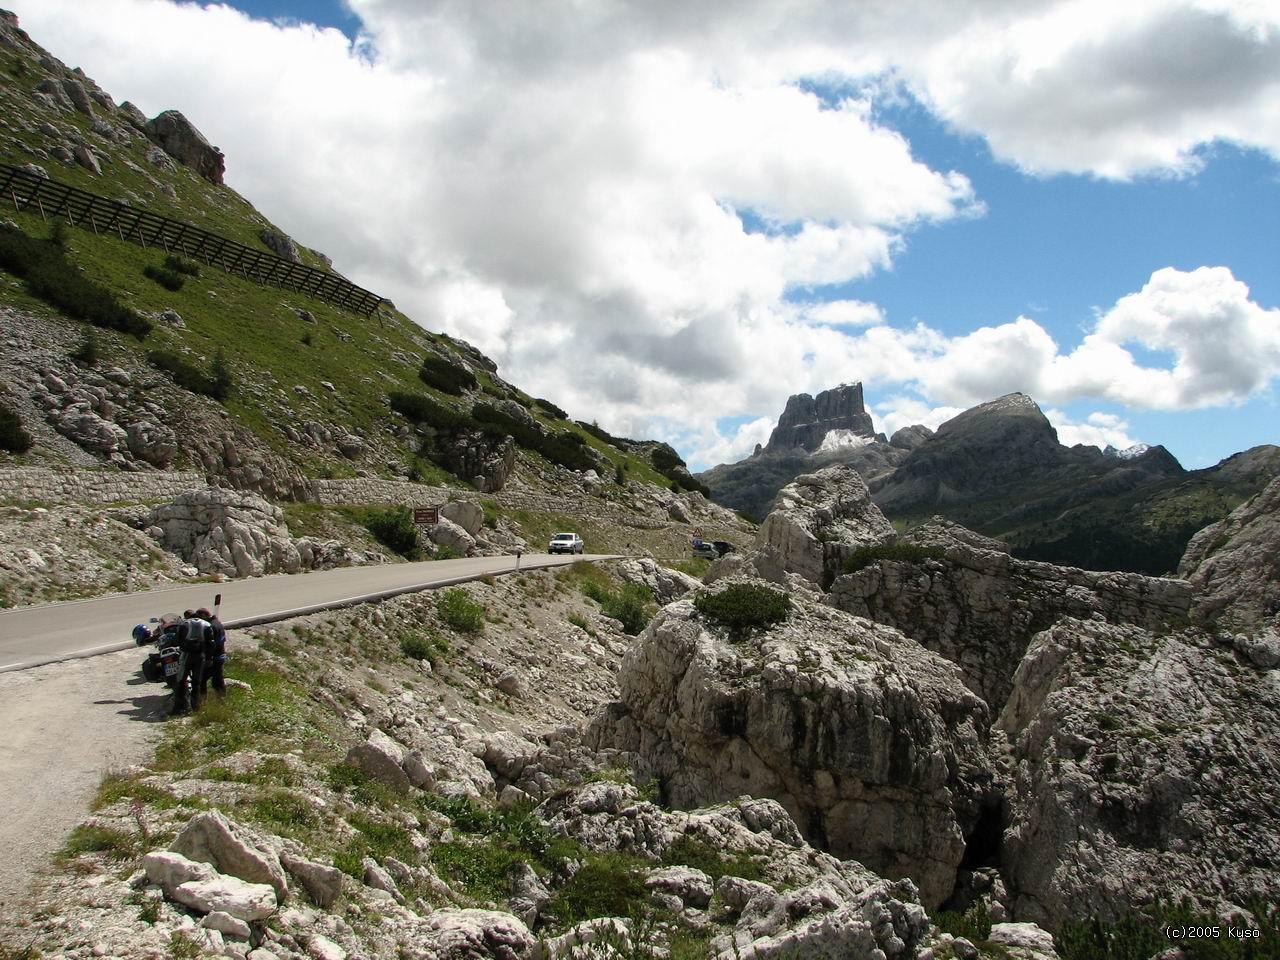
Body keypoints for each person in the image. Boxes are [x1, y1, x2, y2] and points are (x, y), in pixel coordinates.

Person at [171, 609, 210, 715]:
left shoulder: (184, 624)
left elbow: (176, 640)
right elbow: (211, 643)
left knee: (181, 680)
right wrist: (208, 657)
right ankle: (196, 707)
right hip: (201, 656)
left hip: (187, 655)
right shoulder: (206, 625)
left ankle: (180, 707)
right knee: (196, 682)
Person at [195, 607, 227, 700]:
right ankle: (221, 699)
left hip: (214, 657)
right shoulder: (217, 623)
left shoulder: (211, 626)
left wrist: (208, 658)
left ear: (204, 615)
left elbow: (212, 644)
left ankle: (203, 701)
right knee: (217, 680)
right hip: (220, 655)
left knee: (202, 679)